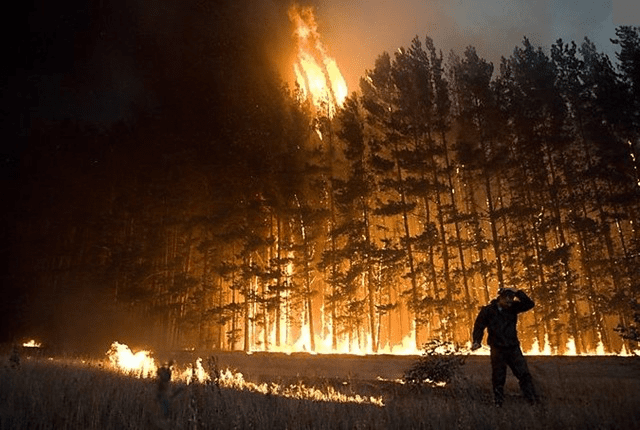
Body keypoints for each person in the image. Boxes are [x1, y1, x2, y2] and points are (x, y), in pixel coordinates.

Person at [471, 287, 538, 407]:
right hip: (497, 349)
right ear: (500, 298)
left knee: (524, 374)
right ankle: (498, 402)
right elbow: (479, 326)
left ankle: (532, 400)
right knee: (498, 377)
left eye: (511, 298)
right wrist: (477, 341)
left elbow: (529, 304)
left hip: (513, 347)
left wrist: (518, 292)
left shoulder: (513, 308)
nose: (509, 301)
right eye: (507, 298)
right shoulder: (488, 310)